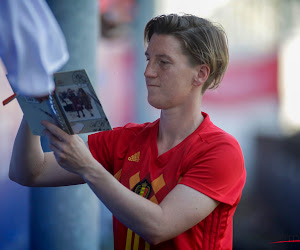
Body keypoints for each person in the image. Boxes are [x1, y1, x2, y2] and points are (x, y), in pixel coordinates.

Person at [9, 14, 246, 250]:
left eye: (163, 62)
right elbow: (30, 173)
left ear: (201, 74)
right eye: (148, 59)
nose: (148, 72)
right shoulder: (128, 139)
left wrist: (88, 167)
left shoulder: (221, 151)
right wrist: (35, 99)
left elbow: (158, 227)